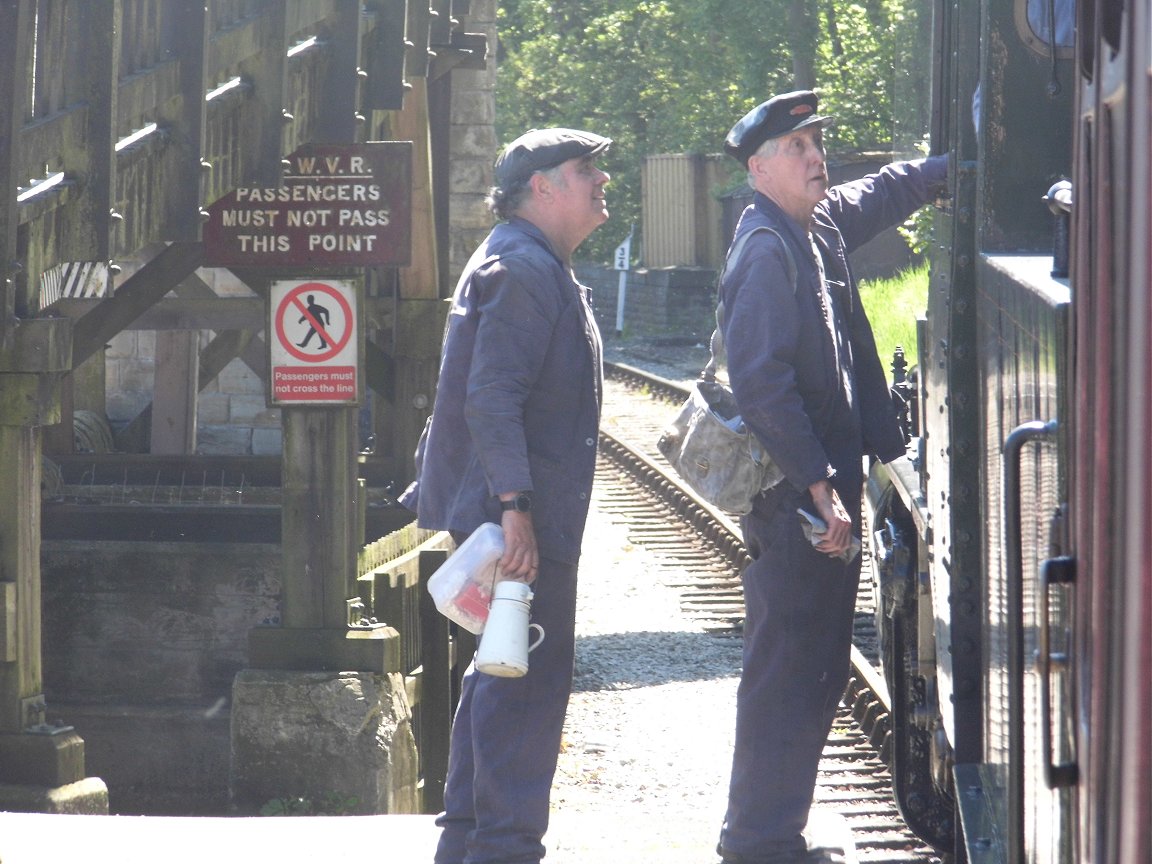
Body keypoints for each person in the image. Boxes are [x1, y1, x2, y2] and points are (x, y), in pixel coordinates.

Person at [713, 91, 948, 864]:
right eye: (798, 147)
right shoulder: (764, 250)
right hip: (794, 506)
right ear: (759, 167)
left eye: (818, 143)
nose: (817, 157)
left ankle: (775, 835)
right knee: (787, 672)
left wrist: (944, 173)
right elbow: (762, 383)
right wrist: (819, 487)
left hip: (817, 498)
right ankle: (755, 841)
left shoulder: (810, 229)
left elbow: (875, 194)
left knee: (813, 671)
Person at [398, 127, 612, 864]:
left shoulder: (522, 259)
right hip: (513, 522)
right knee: (522, 689)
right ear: (542, 187)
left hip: (505, 513)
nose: (600, 181)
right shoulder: (523, 269)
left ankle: (469, 843)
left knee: (499, 674)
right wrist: (516, 507)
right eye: (585, 170)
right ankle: (504, 849)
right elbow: (492, 398)